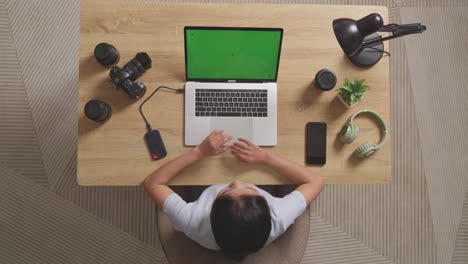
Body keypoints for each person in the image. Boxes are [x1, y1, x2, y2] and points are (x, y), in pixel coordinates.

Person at [144, 130, 324, 259]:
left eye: (228, 189)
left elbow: (153, 182)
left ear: (211, 210)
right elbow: (315, 181)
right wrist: (266, 158)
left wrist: (198, 152)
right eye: (250, 190)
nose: (237, 181)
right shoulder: (279, 216)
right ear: (269, 210)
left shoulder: (193, 220)